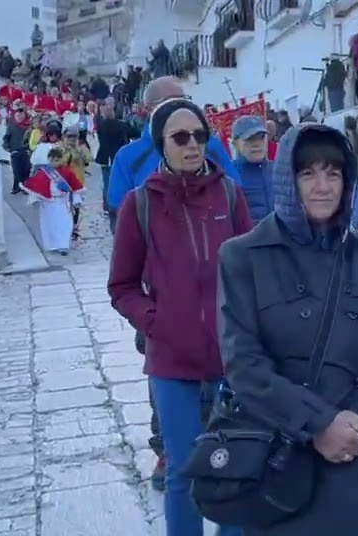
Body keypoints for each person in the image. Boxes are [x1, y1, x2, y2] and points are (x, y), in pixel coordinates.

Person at [216, 123, 358, 535]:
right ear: (286, 180)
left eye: (333, 173)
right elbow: (244, 363)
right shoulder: (243, 256)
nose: (323, 186)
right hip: (286, 460)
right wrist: (319, 425)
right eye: (308, 173)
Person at [108, 98, 252, 533]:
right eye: (181, 137)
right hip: (172, 360)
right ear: (162, 144)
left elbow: (252, 269)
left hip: (231, 356)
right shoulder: (140, 204)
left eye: (200, 136)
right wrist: (157, 321)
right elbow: (122, 286)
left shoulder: (230, 194)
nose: (193, 145)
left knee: (234, 468)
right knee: (184, 471)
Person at [106, 77, 240, 227]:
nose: (180, 108)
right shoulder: (129, 157)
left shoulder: (209, 144)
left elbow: (236, 193)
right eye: (171, 102)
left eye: (184, 101)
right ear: (149, 109)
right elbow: (119, 214)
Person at [23, 146, 84, 255]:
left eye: (57, 160)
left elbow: (75, 188)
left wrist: (76, 200)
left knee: (64, 224)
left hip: (63, 203)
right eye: (52, 160)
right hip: (48, 204)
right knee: (49, 225)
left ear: (62, 160)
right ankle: (51, 245)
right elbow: (37, 188)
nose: (54, 162)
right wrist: (34, 199)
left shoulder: (68, 173)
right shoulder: (43, 173)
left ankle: (63, 245)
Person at [231, 115, 274, 222]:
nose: (256, 144)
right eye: (250, 139)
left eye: (261, 137)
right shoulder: (229, 176)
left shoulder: (277, 169)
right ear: (236, 144)